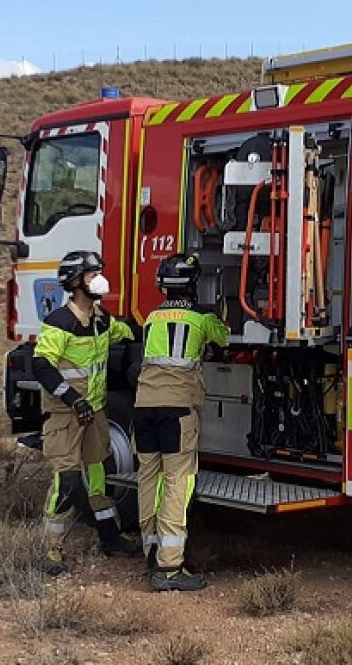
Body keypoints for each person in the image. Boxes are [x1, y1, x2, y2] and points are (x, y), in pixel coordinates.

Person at [29, 250, 143, 574]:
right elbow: (42, 366)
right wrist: (72, 399)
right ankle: (50, 550)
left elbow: (130, 332)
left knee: (100, 475)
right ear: (76, 282)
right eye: (93, 275)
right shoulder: (59, 323)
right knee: (67, 481)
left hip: (95, 415)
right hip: (67, 416)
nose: (100, 280)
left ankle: (110, 538)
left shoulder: (102, 320)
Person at [136, 253, 229, 591]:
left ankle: (150, 551)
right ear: (192, 284)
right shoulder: (200, 318)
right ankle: (169, 566)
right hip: (176, 411)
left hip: (143, 407)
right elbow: (224, 338)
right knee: (178, 481)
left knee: (148, 477)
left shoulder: (150, 318)